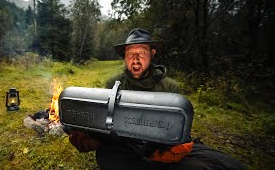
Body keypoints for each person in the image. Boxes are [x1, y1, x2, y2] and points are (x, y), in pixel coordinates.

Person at [68, 28, 246, 170]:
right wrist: (95, 140)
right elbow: (109, 127)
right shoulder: (113, 84)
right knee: (107, 158)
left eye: (142, 53)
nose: (135, 60)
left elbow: (174, 131)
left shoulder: (170, 87)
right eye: (130, 54)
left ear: (152, 54)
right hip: (125, 146)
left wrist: (173, 148)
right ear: (124, 57)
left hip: (161, 148)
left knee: (229, 166)